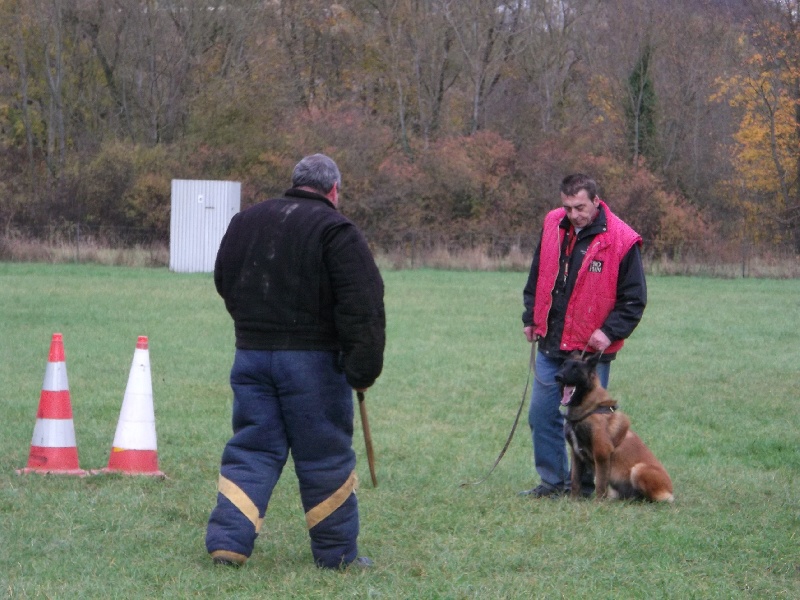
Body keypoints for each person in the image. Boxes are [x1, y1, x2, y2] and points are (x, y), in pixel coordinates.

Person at [206, 153, 386, 569]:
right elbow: (363, 307)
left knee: (252, 448)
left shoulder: (245, 221)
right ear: (334, 190)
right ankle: (338, 556)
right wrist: (362, 372)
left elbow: (223, 279)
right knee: (323, 454)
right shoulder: (336, 230)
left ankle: (228, 544)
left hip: (251, 357)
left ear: (295, 181)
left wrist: (254, 328)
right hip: (314, 365)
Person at [519, 173, 646, 499]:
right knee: (541, 415)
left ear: (595, 201)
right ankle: (553, 483)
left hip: (590, 353)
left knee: (591, 425)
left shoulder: (621, 239)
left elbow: (634, 299)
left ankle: (589, 487)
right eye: (567, 207)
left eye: (579, 207)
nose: (573, 214)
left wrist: (609, 332)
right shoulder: (552, 225)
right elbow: (539, 273)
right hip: (551, 342)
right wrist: (531, 316)